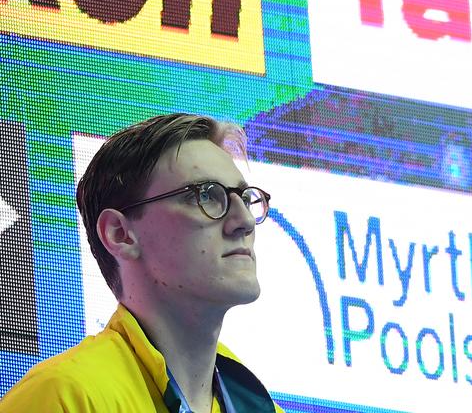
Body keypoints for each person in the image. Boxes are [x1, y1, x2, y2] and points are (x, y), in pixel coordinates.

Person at [0, 113, 282, 412]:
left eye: (245, 198)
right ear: (120, 234)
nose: (245, 221)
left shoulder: (258, 405)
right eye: (205, 196)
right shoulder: (66, 397)